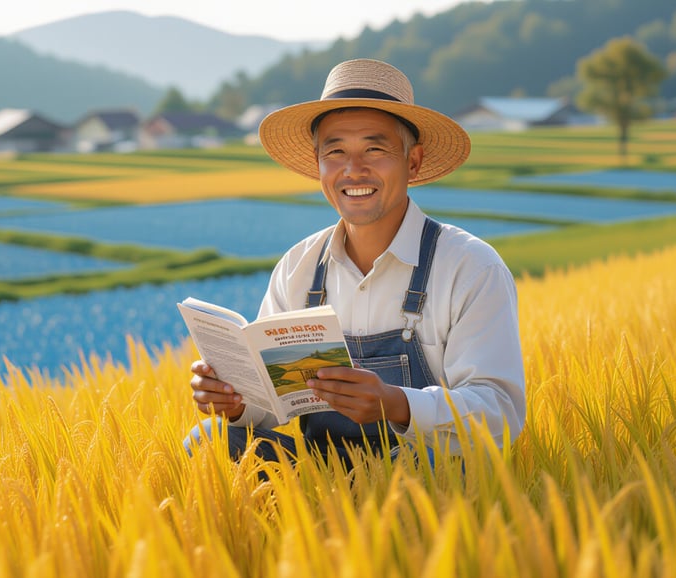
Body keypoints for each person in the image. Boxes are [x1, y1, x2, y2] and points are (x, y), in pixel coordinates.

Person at [185, 59, 526, 465]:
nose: (353, 169)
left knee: (428, 465)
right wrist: (235, 402)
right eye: (336, 152)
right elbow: (273, 407)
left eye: (374, 149)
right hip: (318, 474)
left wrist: (396, 404)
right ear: (318, 165)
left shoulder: (470, 266)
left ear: (412, 161)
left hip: (424, 477)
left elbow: (500, 411)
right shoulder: (297, 268)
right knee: (210, 437)